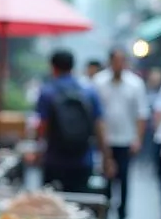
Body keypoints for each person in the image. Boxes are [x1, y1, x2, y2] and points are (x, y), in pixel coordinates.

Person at [35, 50, 111, 192]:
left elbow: (42, 126)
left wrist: (38, 152)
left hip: (54, 159)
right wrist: (106, 157)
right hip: (83, 158)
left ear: (53, 67)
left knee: (53, 205)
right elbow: (99, 125)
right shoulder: (89, 91)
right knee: (80, 203)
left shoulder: (47, 91)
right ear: (73, 66)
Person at [93, 48, 150, 219]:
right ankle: (105, 212)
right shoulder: (99, 81)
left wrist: (138, 138)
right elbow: (96, 113)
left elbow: (141, 114)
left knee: (124, 178)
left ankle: (122, 214)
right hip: (105, 140)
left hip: (126, 139)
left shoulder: (135, 84)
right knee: (105, 178)